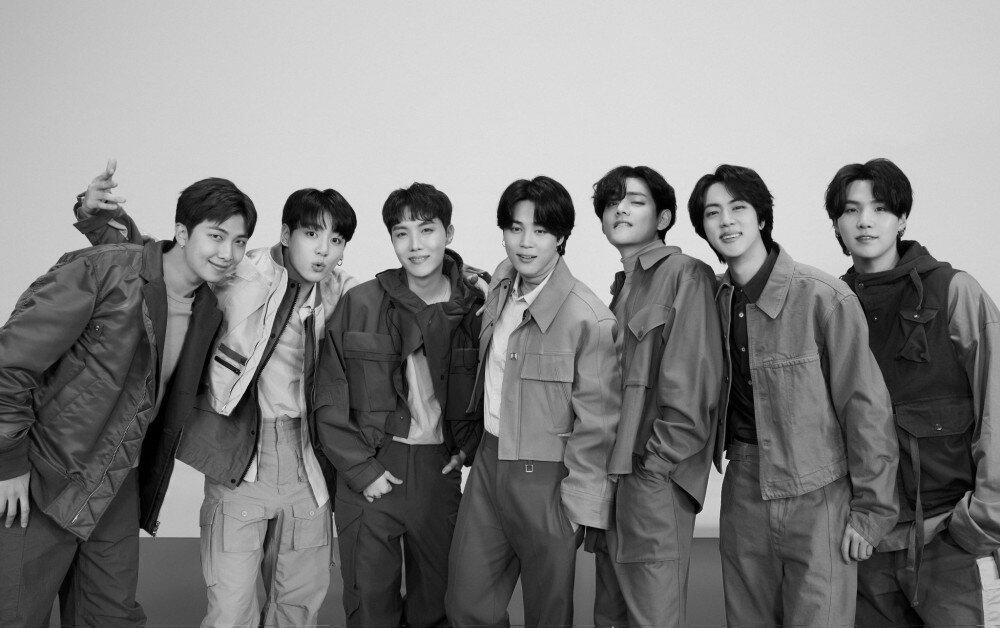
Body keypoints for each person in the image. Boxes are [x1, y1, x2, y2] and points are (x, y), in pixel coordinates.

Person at [73, 162, 357, 626]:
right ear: (286, 234)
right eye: (311, 234)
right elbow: (160, 265)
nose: (324, 249)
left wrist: (458, 275)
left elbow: (400, 292)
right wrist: (98, 220)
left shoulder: (343, 292)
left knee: (299, 605)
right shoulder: (241, 272)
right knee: (231, 608)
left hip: (309, 462)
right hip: (241, 454)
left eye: (337, 239)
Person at [0, 167, 256, 627]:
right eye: (216, 236)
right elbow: (9, 364)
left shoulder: (207, 308)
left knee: (110, 616)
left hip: (117, 479)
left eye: (239, 242)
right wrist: (8, 463)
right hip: (44, 472)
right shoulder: (105, 271)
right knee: (15, 613)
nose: (227, 253)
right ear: (182, 232)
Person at [688, 163, 899, 626]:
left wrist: (872, 511)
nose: (726, 221)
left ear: (762, 217)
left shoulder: (824, 297)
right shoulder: (710, 300)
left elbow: (865, 408)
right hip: (744, 486)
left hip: (819, 490)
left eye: (738, 208)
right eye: (712, 213)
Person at [825, 158, 1000, 625]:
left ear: (902, 219)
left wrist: (983, 520)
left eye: (880, 208)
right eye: (850, 210)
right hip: (865, 548)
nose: (865, 221)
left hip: (950, 540)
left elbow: (997, 405)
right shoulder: (831, 305)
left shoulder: (955, 290)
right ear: (836, 224)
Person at [445, 175, 621, 628]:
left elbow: (599, 423)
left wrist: (578, 505)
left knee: (547, 614)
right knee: (467, 603)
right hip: (489, 463)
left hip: (548, 477)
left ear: (561, 238)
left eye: (540, 230)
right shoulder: (501, 286)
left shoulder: (589, 318)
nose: (525, 242)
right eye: (515, 228)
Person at [313, 182, 484, 628]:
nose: (415, 245)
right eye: (401, 233)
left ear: (448, 233)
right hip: (372, 468)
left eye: (426, 230)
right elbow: (328, 394)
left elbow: (492, 389)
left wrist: (467, 447)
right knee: (370, 604)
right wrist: (361, 470)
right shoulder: (361, 303)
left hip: (438, 471)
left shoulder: (476, 307)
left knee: (439, 602)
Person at [588, 165, 723, 628]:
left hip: (652, 481)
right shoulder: (622, 288)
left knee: (653, 619)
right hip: (615, 480)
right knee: (611, 616)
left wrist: (655, 469)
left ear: (663, 217)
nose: (620, 209)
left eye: (636, 201)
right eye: (611, 203)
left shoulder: (685, 274)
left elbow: (694, 382)